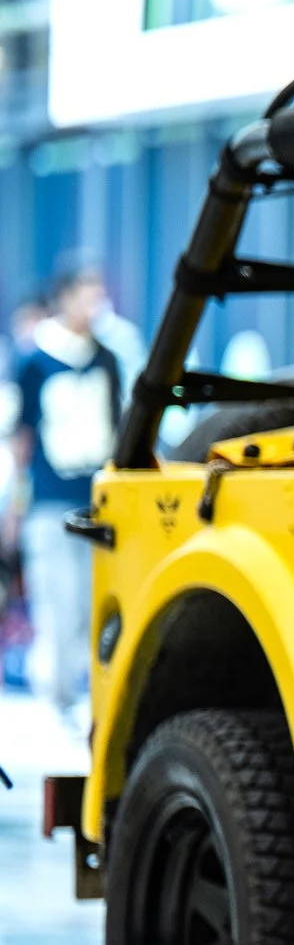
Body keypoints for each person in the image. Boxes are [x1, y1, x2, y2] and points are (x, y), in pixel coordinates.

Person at [10, 266, 121, 726]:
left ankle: (88, 688)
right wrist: (16, 504)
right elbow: (23, 437)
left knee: (93, 597)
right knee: (57, 596)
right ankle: (58, 694)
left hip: (97, 496)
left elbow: (118, 425)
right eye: (87, 293)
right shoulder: (35, 360)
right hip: (50, 499)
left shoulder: (107, 358)